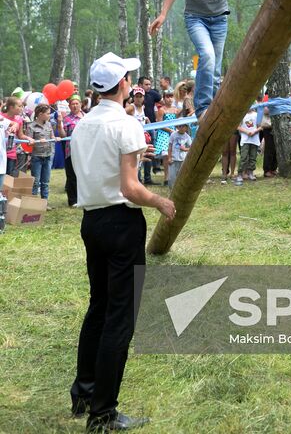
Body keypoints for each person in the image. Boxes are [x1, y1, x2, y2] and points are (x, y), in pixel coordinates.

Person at [70, 51, 175, 432]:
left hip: (92, 221)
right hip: (121, 223)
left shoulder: (83, 124)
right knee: (119, 318)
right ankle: (103, 412)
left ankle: (83, 392)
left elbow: (99, 168)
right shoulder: (127, 123)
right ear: (123, 86)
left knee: (98, 307)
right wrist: (161, 201)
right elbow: (130, 188)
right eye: (129, 77)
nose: (133, 83)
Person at [58, 94, 85, 206]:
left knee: (84, 175)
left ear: (81, 104)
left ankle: (84, 198)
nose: (74, 106)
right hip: (71, 151)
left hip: (85, 151)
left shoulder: (87, 117)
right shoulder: (66, 119)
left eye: (76, 103)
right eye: (72, 104)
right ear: (69, 106)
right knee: (72, 175)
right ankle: (73, 200)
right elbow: (63, 135)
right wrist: (59, 124)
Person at [28, 102, 55, 203]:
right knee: (35, 181)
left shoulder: (49, 124)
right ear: (40, 114)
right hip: (37, 158)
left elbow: (51, 136)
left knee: (45, 182)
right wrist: (36, 141)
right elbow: (28, 143)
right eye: (48, 113)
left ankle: (44, 203)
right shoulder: (31, 126)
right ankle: (33, 203)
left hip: (48, 156)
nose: (49, 115)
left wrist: (54, 138)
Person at [235, 105, 261, 183]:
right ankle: (240, 173)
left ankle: (251, 172)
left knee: (253, 157)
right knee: (244, 157)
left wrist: (254, 131)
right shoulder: (242, 114)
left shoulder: (256, 115)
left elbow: (260, 126)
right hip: (245, 139)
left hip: (255, 139)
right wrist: (247, 132)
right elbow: (238, 127)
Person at [166, 122, 192, 189]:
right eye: (179, 126)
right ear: (177, 127)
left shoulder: (187, 137)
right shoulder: (173, 135)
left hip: (183, 160)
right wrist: (169, 157)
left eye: (183, 126)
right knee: (172, 177)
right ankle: (171, 190)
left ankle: (181, 190)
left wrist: (185, 149)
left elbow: (192, 148)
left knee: (182, 176)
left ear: (186, 127)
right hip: (173, 159)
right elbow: (170, 147)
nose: (181, 128)